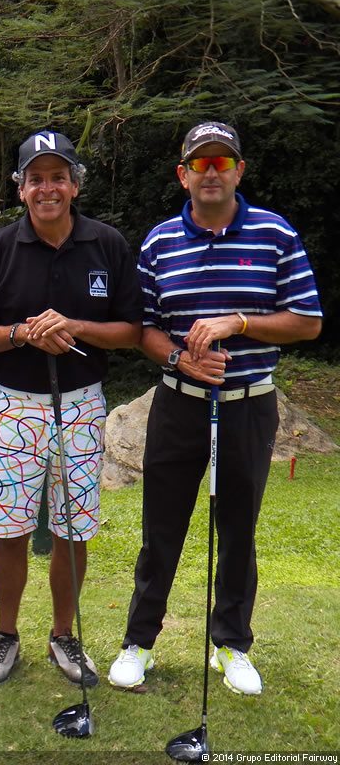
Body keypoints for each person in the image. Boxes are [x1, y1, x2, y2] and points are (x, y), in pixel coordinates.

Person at [108, 122, 322, 696]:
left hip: (248, 406)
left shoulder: (274, 234)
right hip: (179, 405)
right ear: (183, 175)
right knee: (161, 529)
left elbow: (307, 320)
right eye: (199, 164)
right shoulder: (158, 243)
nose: (210, 173)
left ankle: (232, 645)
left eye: (221, 162)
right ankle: (139, 641)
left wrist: (240, 321)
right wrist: (180, 358)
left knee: (238, 530)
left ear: (238, 171)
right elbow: (143, 329)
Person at [0, 130, 143, 688]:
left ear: (74, 185)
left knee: (73, 528)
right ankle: (6, 634)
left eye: (58, 177)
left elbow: (131, 330)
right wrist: (23, 332)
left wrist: (74, 326)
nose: (48, 188)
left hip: (82, 403)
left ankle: (63, 634)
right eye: (36, 179)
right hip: (15, 405)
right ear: (20, 188)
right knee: (11, 527)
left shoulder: (106, 244)